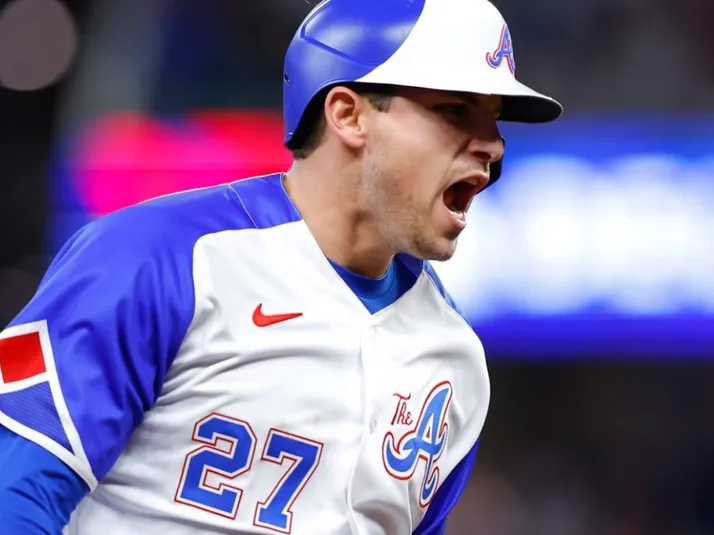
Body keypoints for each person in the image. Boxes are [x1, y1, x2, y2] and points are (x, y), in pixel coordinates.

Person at [0, 0, 562, 533]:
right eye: (455, 110)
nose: (492, 146)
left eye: (494, 119)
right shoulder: (162, 259)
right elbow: (14, 491)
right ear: (348, 114)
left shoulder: (454, 359)